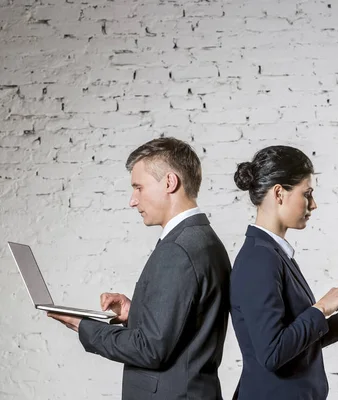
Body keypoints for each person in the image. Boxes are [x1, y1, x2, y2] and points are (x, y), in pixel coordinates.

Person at [48, 137, 231, 400]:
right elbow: (185, 325)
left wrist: (84, 326)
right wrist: (134, 312)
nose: (132, 201)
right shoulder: (204, 239)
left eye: (139, 187)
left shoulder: (177, 249)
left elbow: (151, 349)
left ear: (169, 182)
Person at [229, 145, 338, 400]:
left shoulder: (274, 254)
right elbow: (272, 354)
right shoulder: (259, 258)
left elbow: (297, 342)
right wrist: (321, 308)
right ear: (279, 193)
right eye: (307, 194)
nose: (314, 204)